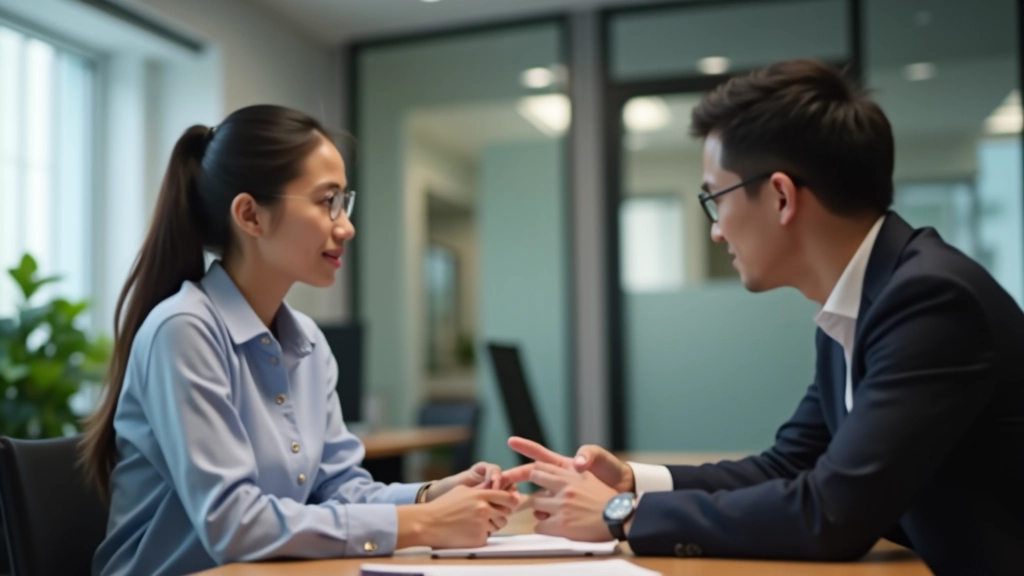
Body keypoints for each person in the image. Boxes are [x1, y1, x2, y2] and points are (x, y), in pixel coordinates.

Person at [502, 60, 1024, 575]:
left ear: (780, 196)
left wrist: (623, 516)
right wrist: (631, 484)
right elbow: (791, 465)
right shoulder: (861, 300)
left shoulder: (930, 302)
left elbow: (832, 515)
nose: (716, 230)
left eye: (715, 198)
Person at [81, 105, 518, 576]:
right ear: (250, 215)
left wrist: (432, 495)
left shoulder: (307, 341)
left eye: (343, 202)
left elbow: (338, 487)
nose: (345, 226)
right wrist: (423, 523)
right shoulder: (184, 330)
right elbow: (235, 525)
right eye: (325, 201)